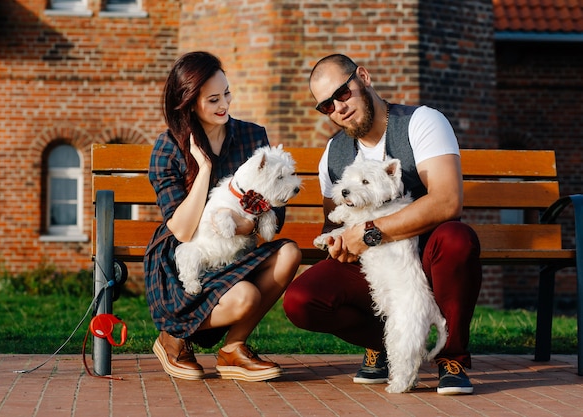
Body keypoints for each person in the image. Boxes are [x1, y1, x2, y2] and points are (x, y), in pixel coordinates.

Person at [282, 54, 483, 395]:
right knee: (301, 300)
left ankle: (452, 357)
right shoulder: (334, 153)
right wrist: (338, 244)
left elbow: (448, 201)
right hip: (376, 269)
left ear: (363, 77)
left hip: (426, 257)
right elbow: (330, 221)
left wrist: (371, 232)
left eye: (342, 93)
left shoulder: (421, 123)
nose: (338, 109)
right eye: (326, 106)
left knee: (457, 239)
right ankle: (390, 346)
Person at [144, 51, 301, 382]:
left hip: (235, 250)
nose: (224, 105)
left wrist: (247, 223)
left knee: (289, 252)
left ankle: (233, 350)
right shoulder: (168, 148)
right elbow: (183, 231)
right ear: (188, 102)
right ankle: (173, 337)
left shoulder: (251, 137)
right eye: (213, 99)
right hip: (185, 258)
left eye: (226, 93)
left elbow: (277, 212)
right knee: (246, 298)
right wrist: (204, 170)